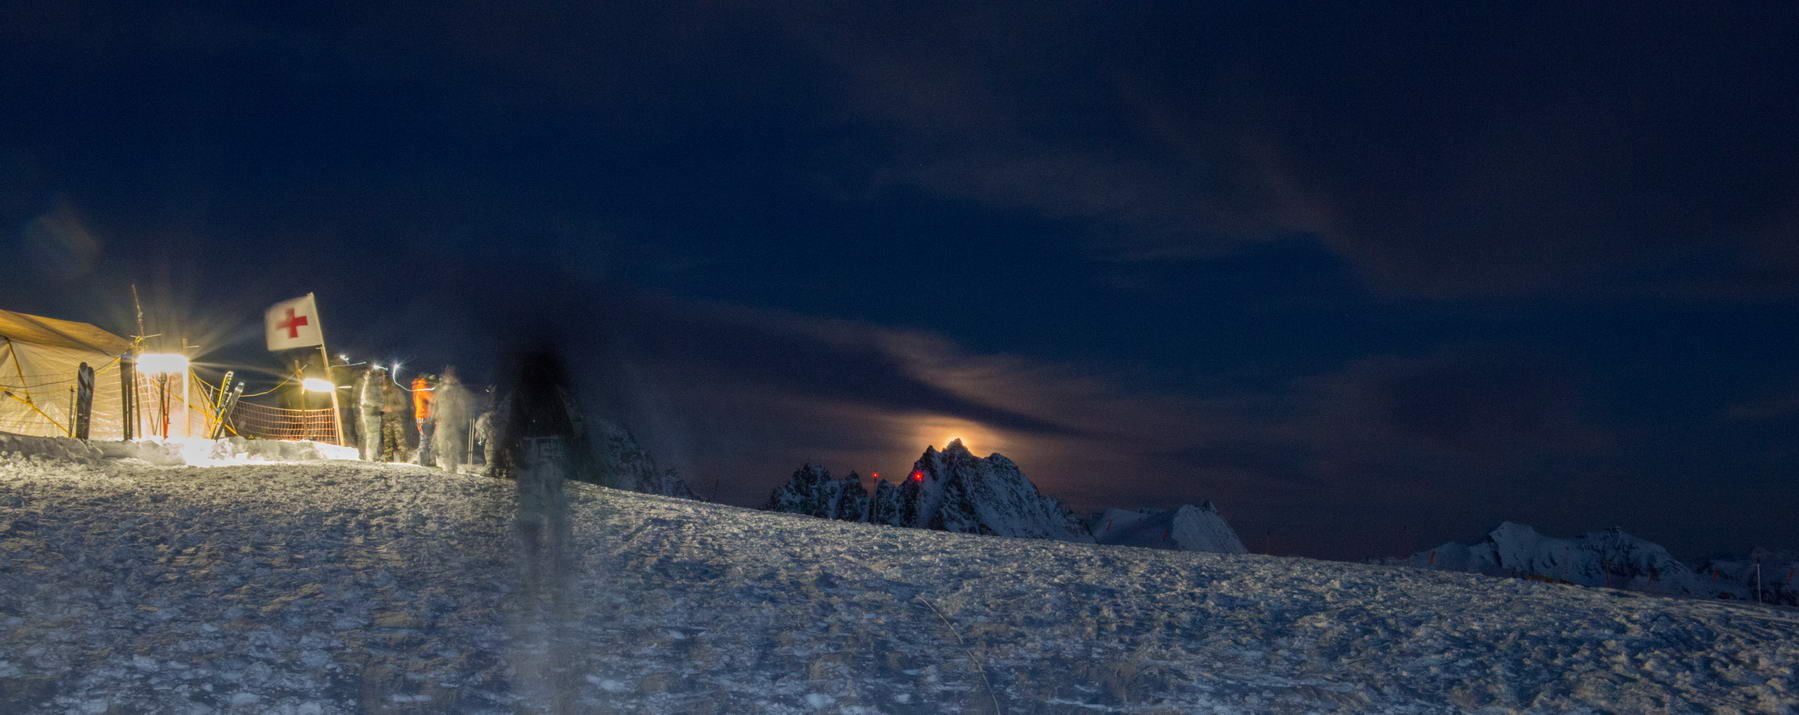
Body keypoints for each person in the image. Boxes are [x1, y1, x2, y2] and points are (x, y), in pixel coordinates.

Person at [431, 367, 472, 472]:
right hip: (442, 420)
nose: (448, 377)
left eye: (451, 375)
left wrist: (463, 419)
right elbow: (435, 403)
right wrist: (433, 415)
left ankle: (453, 466)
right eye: (447, 375)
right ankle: (446, 465)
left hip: (454, 421)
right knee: (442, 444)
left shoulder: (458, 391)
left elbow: (462, 406)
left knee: (454, 445)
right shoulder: (440, 390)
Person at [354, 365, 385, 461]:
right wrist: (380, 404)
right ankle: (371, 457)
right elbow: (368, 399)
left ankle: (373, 455)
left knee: (375, 436)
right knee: (372, 435)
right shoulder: (370, 384)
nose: (383, 377)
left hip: (374, 412)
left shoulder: (373, 384)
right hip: (370, 412)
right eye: (381, 375)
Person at [378, 374, 410, 462]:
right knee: (387, 441)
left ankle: (404, 460)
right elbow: (376, 404)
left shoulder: (396, 391)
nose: (382, 382)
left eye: (384, 381)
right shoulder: (379, 392)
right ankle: (388, 460)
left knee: (400, 440)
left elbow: (403, 405)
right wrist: (380, 408)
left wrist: (392, 408)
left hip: (396, 418)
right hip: (385, 418)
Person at [412, 373, 436, 465]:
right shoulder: (423, 387)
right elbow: (433, 399)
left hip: (421, 416)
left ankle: (425, 461)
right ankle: (422, 462)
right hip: (424, 416)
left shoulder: (418, 386)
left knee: (426, 439)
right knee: (425, 439)